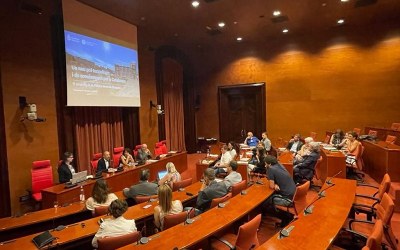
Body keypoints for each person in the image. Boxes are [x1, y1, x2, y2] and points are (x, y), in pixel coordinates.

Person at [262, 155, 296, 227]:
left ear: (270, 164)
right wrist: (276, 184)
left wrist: (274, 185)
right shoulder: (280, 165)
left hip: (287, 199)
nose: (265, 165)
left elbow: (271, 186)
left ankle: (285, 218)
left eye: (265, 164)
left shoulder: (270, 169)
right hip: (294, 195)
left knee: (265, 201)